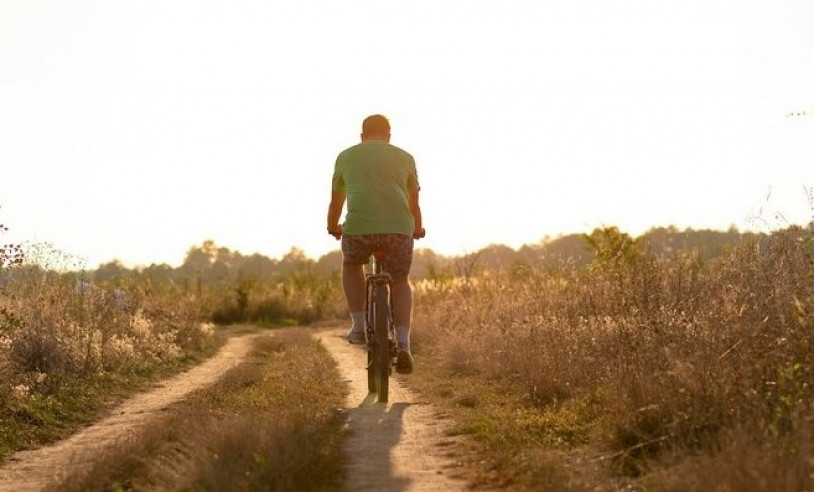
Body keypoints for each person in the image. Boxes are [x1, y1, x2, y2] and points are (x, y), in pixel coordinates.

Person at [327, 114, 424, 374]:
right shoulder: (405, 157)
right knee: (400, 280)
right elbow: (413, 201)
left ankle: (359, 326)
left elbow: (337, 200)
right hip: (398, 232)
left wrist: (332, 225)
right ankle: (403, 344)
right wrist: (417, 227)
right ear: (389, 137)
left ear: (362, 136)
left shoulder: (346, 156)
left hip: (359, 230)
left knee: (351, 263)